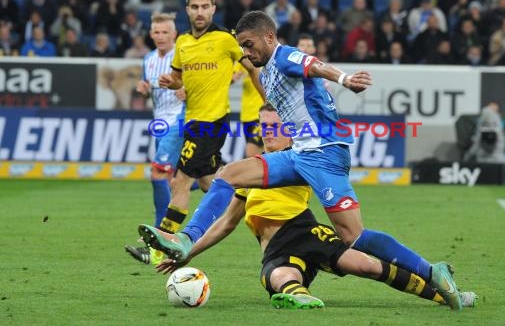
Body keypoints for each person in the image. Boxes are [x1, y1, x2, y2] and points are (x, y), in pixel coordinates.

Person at [138, 10, 464, 310]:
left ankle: (430, 270)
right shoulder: (265, 76)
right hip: (298, 154)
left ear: (268, 37)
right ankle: (185, 238)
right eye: (241, 47)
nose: (246, 53)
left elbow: (313, 64)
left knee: (354, 237)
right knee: (227, 174)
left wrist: (344, 80)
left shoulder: (284, 56)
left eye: (249, 45)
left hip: (325, 154)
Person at [155, 104, 478, 310]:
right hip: (276, 248)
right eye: (263, 126)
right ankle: (301, 296)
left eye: (274, 126)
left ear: (290, 132)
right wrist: (189, 252)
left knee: (369, 266)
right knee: (277, 277)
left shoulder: (299, 161)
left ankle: (445, 294)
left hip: (307, 231)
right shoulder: (252, 175)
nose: (268, 132)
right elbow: (225, 224)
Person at [150, 0, 261, 237]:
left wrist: (267, 102)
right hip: (192, 120)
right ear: (187, 10)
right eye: (194, 7)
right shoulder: (183, 42)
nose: (200, 12)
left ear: (213, 8)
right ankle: (250, 206)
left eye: (204, 7)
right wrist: (172, 82)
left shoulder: (226, 39)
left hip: (212, 122)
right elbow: (179, 78)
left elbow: (253, 69)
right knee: (208, 181)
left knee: (180, 181)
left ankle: (163, 242)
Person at [125, 13, 185, 265]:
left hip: (178, 121)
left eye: (165, 32)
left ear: (174, 35)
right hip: (159, 123)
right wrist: (144, 88)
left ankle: (157, 236)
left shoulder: (181, 57)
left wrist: (186, 90)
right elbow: (148, 86)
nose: (160, 36)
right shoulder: (148, 60)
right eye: (156, 32)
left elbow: (193, 83)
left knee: (158, 174)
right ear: (151, 34)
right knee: (182, 180)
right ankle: (223, 187)